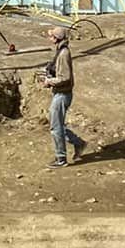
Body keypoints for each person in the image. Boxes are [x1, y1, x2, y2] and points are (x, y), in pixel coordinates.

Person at [42, 26, 85, 167]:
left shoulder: (63, 54)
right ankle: (78, 143)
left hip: (62, 94)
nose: (49, 38)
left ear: (56, 38)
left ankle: (61, 158)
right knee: (57, 124)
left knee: (55, 127)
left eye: (51, 36)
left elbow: (65, 77)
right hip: (60, 93)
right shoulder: (60, 51)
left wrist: (49, 81)